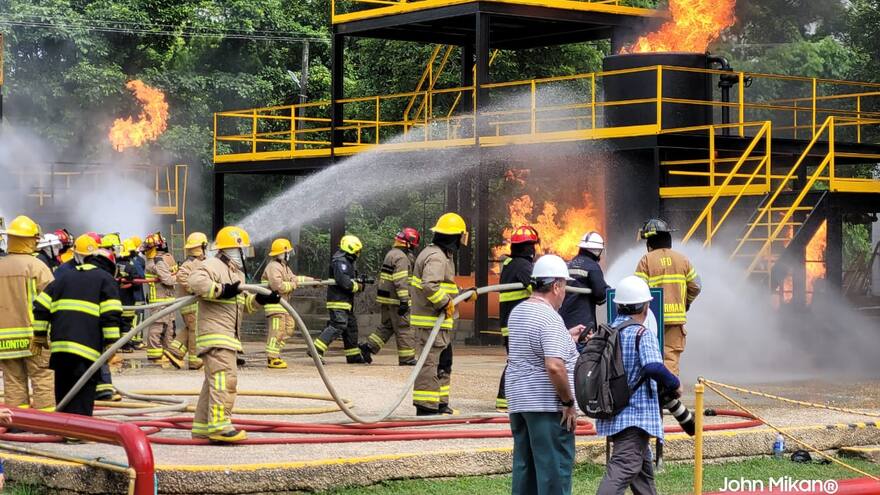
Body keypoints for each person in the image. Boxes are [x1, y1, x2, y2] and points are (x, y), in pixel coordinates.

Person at [187, 226, 279, 443]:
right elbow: (195, 281)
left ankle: (202, 427)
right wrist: (221, 290)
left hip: (227, 335)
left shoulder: (237, 273)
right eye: (242, 249)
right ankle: (220, 426)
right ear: (232, 249)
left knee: (213, 382)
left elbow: (243, 305)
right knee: (225, 379)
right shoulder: (212, 265)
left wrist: (261, 299)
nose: (245, 254)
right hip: (216, 335)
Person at [596, 276, 681, 495]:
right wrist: (675, 383)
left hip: (615, 411)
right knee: (623, 467)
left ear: (619, 306)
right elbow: (653, 366)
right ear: (644, 306)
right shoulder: (642, 333)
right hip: (636, 415)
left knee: (642, 475)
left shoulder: (608, 331)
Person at [505, 254, 579, 495]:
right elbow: (554, 366)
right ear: (556, 286)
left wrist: (566, 337)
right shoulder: (549, 317)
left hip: (520, 403)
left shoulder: (518, 312)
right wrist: (568, 401)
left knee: (526, 471)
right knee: (553, 472)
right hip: (547, 407)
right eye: (564, 286)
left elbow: (531, 348)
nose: (564, 293)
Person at [32, 246, 122, 416]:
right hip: (86, 352)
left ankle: (64, 427)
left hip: (60, 349)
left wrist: (40, 335)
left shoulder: (63, 277)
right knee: (82, 397)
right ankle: (78, 429)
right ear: (110, 266)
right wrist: (112, 344)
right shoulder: (106, 279)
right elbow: (110, 315)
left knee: (64, 394)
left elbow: (41, 307)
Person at [410, 213, 471, 416]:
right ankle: (426, 407)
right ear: (454, 236)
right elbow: (430, 285)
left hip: (438, 323)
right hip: (431, 322)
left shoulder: (441, 255)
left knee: (444, 362)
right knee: (430, 364)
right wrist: (445, 302)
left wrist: (463, 294)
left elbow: (444, 286)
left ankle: (440, 403)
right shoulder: (437, 257)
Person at [0, 216, 55, 411]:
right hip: (35, 336)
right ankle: (45, 420)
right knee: (42, 377)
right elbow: (52, 300)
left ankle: (17, 420)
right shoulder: (37, 266)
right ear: (30, 240)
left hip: (5, 339)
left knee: (13, 381)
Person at [634, 219, 701, 376]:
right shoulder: (683, 260)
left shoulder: (646, 260)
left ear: (650, 242)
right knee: (670, 362)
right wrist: (686, 303)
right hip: (675, 321)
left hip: (651, 320)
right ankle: (669, 390)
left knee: (649, 359)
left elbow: (637, 290)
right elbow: (696, 286)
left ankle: (653, 391)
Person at [358, 228, 420, 366]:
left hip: (386, 299)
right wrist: (404, 301)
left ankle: (369, 347)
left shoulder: (391, 253)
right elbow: (401, 280)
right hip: (397, 300)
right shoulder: (401, 257)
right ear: (408, 243)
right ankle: (407, 358)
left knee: (388, 326)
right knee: (404, 327)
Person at [495, 225, 540, 412]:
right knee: (516, 362)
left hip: (511, 322)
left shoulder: (509, 264)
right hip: (518, 324)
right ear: (529, 248)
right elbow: (536, 288)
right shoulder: (523, 265)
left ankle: (510, 399)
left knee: (517, 361)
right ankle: (504, 400)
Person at [313, 235, 371, 364]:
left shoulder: (346, 261)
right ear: (350, 249)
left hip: (345, 302)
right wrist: (357, 286)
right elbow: (343, 281)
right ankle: (316, 350)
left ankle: (353, 356)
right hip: (338, 301)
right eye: (357, 251)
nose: (358, 254)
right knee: (338, 325)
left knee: (351, 327)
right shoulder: (340, 262)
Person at [262, 238, 313, 369]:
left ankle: (276, 353)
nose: (289, 254)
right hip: (274, 304)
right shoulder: (273, 267)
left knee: (288, 328)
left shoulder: (283, 266)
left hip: (283, 304)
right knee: (277, 331)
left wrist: (312, 281)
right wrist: (293, 285)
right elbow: (277, 286)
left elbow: (294, 278)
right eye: (288, 252)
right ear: (282, 253)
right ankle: (272, 358)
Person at [167, 232, 208, 370]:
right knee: (194, 332)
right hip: (191, 305)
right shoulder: (190, 264)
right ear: (202, 247)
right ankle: (195, 361)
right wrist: (193, 289)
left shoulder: (197, 262)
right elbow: (181, 276)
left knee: (191, 328)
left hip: (194, 305)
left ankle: (175, 351)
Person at [560, 231, 610, 334]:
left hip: (563, 323)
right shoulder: (593, 267)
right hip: (583, 327)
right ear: (596, 251)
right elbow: (601, 296)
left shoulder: (568, 264)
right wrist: (608, 289)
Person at [143, 232, 178, 363]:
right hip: (160, 299)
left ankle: (168, 352)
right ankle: (155, 355)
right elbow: (168, 280)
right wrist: (180, 276)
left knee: (169, 326)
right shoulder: (157, 261)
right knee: (158, 326)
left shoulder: (156, 260)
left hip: (166, 298)